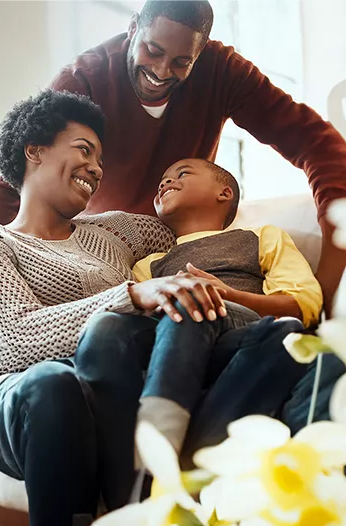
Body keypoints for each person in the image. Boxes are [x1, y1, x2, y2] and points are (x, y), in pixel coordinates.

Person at [0, 89, 238, 526]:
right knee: (55, 382)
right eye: (83, 150)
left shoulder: (113, 233)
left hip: (109, 396)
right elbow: (18, 334)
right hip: (21, 403)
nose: (96, 168)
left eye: (101, 160)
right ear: (33, 150)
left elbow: (197, 220)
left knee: (117, 353)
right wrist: (130, 294)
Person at [0, 0, 346, 325]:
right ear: (134, 27)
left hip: (178, 239)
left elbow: (319, 145)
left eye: (181, 62)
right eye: (153, 51)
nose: (161, 71)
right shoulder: (85, 78)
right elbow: (18, 177)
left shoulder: (224, 72)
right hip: (110, 254)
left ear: (202, 53)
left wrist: (333, 271)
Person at [73, 158, 322, 460]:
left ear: (224, 193)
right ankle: (166, 446)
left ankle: (158, 454)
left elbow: (303, 304)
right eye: (162, 180)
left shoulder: (260, 237)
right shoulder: (148, 265)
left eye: (182, 174)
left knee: (284, 332)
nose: (165, 182)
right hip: (179, 349)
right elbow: (139, 327)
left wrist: (228, 295)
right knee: (187, 298)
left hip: (245, 337)